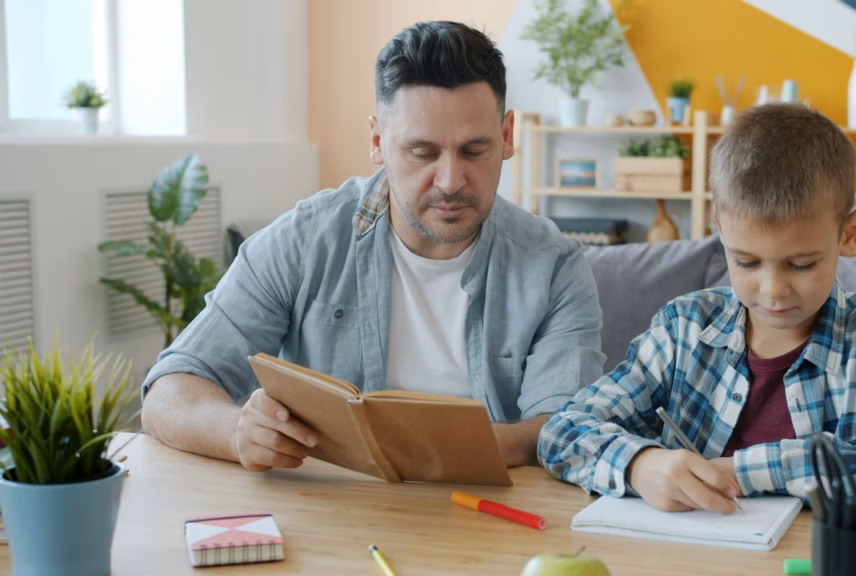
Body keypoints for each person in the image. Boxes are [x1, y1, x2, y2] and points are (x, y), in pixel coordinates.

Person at [141, 21, 605, 472]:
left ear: (506, 137)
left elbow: (562, 427)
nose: (450, 181)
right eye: (422, 153)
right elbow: (169, 392)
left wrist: (428, 449)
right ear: (379, 141)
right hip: (333, 516)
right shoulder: (304, 240)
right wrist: (236, 430)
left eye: (473, 151)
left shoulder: (555, 267)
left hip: (494, 518)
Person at [537, 103, 856, 515]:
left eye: (801, 264)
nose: (773, 291)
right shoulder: (683, 331)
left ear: (850, 234)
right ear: (720, 229)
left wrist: (750, 470)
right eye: (746, 262)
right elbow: (561, 431)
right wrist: (639, 464)